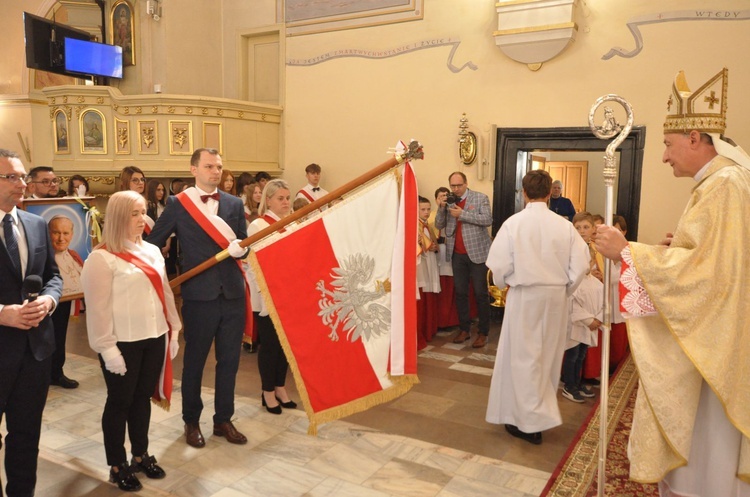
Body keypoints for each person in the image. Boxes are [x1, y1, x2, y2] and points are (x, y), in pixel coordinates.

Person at [595, 68, 750, 496]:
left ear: (695, 137)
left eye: (668, 144)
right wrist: (671, 249)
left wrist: (627, 251)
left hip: (712, 346)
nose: (664, 156)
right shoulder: (721, 182)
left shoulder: (725, 185)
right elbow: (711, 259)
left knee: (706, 454)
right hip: (714, 335)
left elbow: (707, 278)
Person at [147, 148, 249, 448]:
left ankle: (223, 419)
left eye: (219, 166)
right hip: (199, 295)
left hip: (232, 293)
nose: (215, 172)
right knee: (194, 362)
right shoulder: (179, 204)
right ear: (194, 170)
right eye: (208, 166)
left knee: (229, 361)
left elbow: (245, 242)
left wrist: (242, 249)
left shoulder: (232, 202)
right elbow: (154, 241)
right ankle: (191, 421)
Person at [81, 190, 181, 492]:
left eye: (143, 212)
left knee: (142, 399)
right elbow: (97, 310)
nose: (142, 219)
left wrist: (173, 329)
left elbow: (164, 293)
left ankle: (140, 455)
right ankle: (116, 463)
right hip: (121, 343)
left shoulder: (151, 251)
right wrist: (107, 349)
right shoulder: (101, 258)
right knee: (119, 402)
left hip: (153, 337)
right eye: (134, 213)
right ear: (118, 217)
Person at [485, 169, 589, 445]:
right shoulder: (564, 226)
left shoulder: (513, 224)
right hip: (555, 297)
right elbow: (581, 265)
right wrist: (564, 288)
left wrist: (504, 283)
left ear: (524, 192)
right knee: (547, 357)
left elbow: (498, 266)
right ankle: (535, 416)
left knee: (522, 357)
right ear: (548, 193)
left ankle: (526, 422)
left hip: (524, 296)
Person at [0, 149, 63, 497]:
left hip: (35, 352)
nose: (21, 184)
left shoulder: (36, 224)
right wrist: (2, 313)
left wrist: (49, 300)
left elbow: (52, 276)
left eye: (23, 176)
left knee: (26, 436)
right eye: (11, 177)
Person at [246, 179, 298, 414]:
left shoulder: (292, 223)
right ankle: (267, 391)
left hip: (289, 293)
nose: (286, 202)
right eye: (280, 198)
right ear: (268, 200)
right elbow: (253, 264)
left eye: (288, 198)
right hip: (267, 295)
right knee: (270, 346)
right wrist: (266, 291)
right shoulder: (258, 225)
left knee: (285, 346)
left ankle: (280, 386)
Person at [434, 171, 492, 348]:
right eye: (453, 186)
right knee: (460, 293)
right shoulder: (449, 200)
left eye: (459, 185)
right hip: (457, 254)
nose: (456, 189)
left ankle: (483, 332)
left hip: (477, 254)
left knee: (481, 294)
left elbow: (487, 219)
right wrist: (441, 207)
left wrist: (463, 214)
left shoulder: (480, 198)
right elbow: (438, 225)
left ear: (466, 183)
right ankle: (464, 329)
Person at [561, 245, 602, 403]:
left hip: (590, 326)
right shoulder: (573, 283)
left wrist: (598, 319)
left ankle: (577, 384)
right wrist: (589, 320)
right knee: (573, 356)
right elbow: (572, 305)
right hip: (577, 326)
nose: (587, 263)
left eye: (590, 259)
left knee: (581, 356)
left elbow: (605, 302)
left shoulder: (597, 283)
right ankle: (569, 386)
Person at [48, 215, 83, 389]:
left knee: (60, 338)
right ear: (48, 233)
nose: (61, 238)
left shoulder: (73, 255)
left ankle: (56, 373)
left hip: (65, 302)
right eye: (56, 233)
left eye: (66, 233)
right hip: (45, 304)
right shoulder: (42, 256)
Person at [416, 196, 440, 350]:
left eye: (428, 209)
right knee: (423, 295)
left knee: (429, 294)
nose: (426, 212)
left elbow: (433, 243)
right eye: (423, 209)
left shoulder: (427, 225)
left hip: (429, 261)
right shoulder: (415, 225)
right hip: (421, 265)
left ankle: (428, 330)